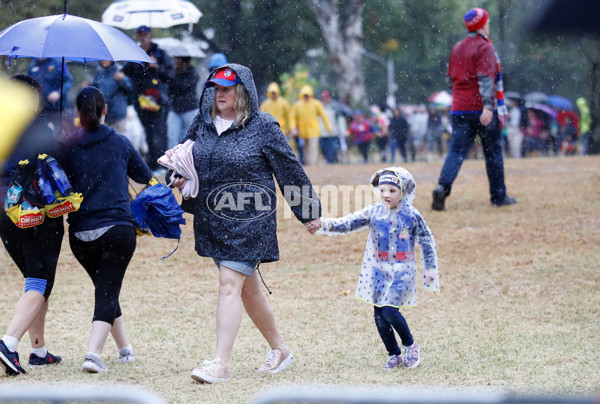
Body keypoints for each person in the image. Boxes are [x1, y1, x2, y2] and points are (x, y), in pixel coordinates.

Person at [168, 64, 321, 383]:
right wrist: (179, 176)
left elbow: (288, 169)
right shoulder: (203, 122)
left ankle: (219, 364)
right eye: (216, 88)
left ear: (243, 91)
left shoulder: (263, 125)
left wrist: (309, 212)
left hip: (251, 219)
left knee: (229, 285)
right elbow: (185, 156)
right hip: (213, 221)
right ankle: (280, 350)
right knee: (247, 290)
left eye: (227, 89)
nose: (220, 94)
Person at [309, 167, 439, 370]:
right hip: (378, 272)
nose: (386, 194)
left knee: (390, 311)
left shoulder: (412, 215)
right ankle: (394, 354)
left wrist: (430, 268)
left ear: (403, 192)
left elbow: (427, 241)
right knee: (379, 316)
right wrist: (324, 224)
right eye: (383, 189)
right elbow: (348, 223)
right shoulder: (373, 212)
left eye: (392, 190)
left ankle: (410, 345)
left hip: (402, 274)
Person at [61, 86, 152, 373]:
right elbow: (144, 176)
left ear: (78, 114)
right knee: (107, 291)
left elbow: (57, 181)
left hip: (79, 235)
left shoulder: (67, 146)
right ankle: (93, 355)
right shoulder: (120, 142)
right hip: (117, 230)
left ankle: (125, 349)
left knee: (105, 289)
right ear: (105, 111)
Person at [0, 75, 64, 376]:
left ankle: (38, 350)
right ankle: (8, 344)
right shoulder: (36, 127)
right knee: (41, 280)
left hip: (4, 211)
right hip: (35, 210)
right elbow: (56, 163)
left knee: (34, 279)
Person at [432, 8, 516, 211]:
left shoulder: (458, 47)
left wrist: (462, 97)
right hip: (481, 109)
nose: (489, 25)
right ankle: (498, 196)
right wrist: (488, 106)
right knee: (493, 153)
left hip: (458, 109)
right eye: (487, 21)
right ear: (482, 24)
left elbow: (450, 79)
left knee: (456, 152)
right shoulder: (484, 47)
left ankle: (442, 188)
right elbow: (487, 79)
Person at [122, 26, 174, 173]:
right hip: (141, 101)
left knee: (159, 132)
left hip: (159, 101)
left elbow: (170, 75)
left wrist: (156, 65)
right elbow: (127, 73)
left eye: (145, 35)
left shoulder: (160, 53)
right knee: (149, 133)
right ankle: (152, 164)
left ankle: (162, 164)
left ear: (150, 36)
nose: (143, 37)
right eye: (140, 35)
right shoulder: (134, 53)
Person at [27, 58, 73, 134]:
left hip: (59, 109)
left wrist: (58, 93)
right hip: (41, 110)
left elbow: (69, 81)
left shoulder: (59, 63)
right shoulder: (32, 67)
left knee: (61, 134)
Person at [289, 85, 332, 165]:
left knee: (313, 148)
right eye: (305, 95)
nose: (306, 97)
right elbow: (292, 117)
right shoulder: (298, 105)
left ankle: (313, 164)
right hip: (303, 131)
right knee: (305, 148)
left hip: (313, 130)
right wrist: (293, 128)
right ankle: (309, 164)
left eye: (307, 95)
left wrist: (328, 127)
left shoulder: (316, 104)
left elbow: (323, 115)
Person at [166, 56, 200, 149]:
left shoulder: (193, 73)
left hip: (190, 109)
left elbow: (183, 86)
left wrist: (172, 77)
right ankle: (172, 160)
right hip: (175, 109)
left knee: (191, 138)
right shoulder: (173, 73)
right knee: (172, 137)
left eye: (177, 60)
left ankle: (188, 160)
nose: (174, 62)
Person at [92, 60, 133, 135]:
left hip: (118, 114)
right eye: (102, 59)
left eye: (107, 59)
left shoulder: (119, 70)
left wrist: (122, 79)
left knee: (119, 141)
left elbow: (130, 87)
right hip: (103, 114)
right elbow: (95, 90)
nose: (104, 61)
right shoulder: (99, 73)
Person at [319, 90, 347, 164]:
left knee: (332, 149)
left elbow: (340, 120)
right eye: (323, 97)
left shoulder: (335, 107)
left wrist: (343, 130)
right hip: (322, 132)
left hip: (333, 132)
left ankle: (330, 163)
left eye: (326, 97)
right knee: (324, 149)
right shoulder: (319, 106)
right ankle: (330, 162)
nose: (325, 99)